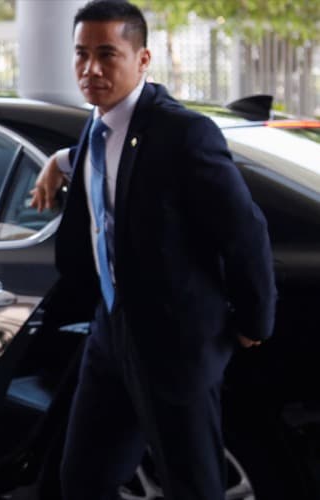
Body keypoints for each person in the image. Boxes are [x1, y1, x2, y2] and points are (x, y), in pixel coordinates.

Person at [29, 1, 275, 499]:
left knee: (193, 485)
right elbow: (107, 157)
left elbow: (244, 230)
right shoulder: (99, 123)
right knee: (83, 479)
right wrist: (58, 160)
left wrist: (255, 321)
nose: (90, 69)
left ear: (142, 59)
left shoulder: (184, 133)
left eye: (106, 54)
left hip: (175, 341)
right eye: (81, 54)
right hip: (111, 331)